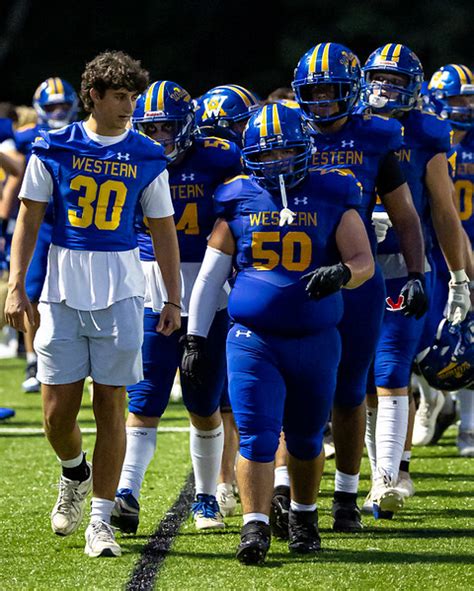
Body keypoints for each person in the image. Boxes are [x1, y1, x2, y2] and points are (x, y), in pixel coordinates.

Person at [4, 51, 181, 558]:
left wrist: (173, 297)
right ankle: (74, 472)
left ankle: (100, 521)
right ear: (95, 96)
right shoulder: (54, 145)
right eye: (120, 97)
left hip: (122, 291)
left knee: (111, 406)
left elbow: (163, 230)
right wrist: (17, 285)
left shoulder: (146, 154)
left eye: (133, 97)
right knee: (56, 416)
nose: (129, 107)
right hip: (62, 290)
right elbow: (28, 219)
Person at [182, 103, 374, 564]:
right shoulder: (237, 197)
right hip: (254, 339)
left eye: (285, 151)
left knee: (306, 438)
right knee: (256, 435)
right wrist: (195, 337)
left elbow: (363, 261)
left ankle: (305, 517)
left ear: (304, 147)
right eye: (266, 154)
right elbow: (210, 277)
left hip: (315, 338)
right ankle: (255, 526)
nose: (277, 162)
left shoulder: (333, 191)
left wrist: (342, 274)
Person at [290, 42, 425, 532]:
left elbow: (406, 216)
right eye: (313, 92)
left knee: (350, 392)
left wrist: (417, 274)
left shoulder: (376, 136)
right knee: (294, 389)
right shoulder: (287, 130)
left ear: (352, 91)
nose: (321, 100)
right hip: (296, 274)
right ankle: (284, 487)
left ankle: (346, 496)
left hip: (357, 275)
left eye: (331, 90)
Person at [111, 80, 242, 534]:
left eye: (167, 126)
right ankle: (127, 491)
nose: (160, 137)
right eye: (150, 128)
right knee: (145, 398)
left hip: (209, 289)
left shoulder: (219, 158)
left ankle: (206, 497)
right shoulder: (129, 156)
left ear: (187, 125)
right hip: (150, 288)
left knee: (204, 402)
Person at [360, 47, 472, 515]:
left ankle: (390, 476)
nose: (385, 88)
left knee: (393, 370)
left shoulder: (426, 133)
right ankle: (376, 472)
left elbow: (445, 213)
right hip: (350, 267)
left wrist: (461, 278)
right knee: (361, 380)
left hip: (407, 266)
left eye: (396, 80)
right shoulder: (349, 125)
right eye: (379, 78)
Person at [412, 63, 474, 457]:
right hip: (434, 247)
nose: (465, 106)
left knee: (468, 334)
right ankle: (430, 398)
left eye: (470, 99)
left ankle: (469, 426)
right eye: (457, 99)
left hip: (468, 240)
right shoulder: (426, 138)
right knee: (425, 335)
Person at [13, 78, 79, 393]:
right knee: (32, 291)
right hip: (41, 223)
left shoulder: (81, 133)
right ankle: (32, 359)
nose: (58, 112)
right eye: (52, 107)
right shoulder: (28, 136)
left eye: (63, 106)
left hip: (75, 223)